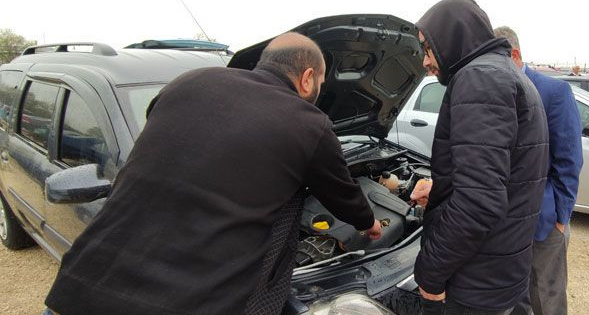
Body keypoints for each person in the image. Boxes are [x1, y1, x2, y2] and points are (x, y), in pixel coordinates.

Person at [44, 33, 382, 315]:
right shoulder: (309, 122)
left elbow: (175, 136)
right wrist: (369, 223)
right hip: (187, 302)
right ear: (308, 77)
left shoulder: (188, 81)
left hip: (86, 285)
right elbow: (342, 194)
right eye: (321, 82)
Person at [412, 0, 549, 315]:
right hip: (500, 268)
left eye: (426, 48)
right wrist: (443, 189)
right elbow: (506, 175)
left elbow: (479, 203)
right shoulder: (506, 73)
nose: (424, 62)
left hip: (475, 281)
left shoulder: (480, 79)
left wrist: (430, 274)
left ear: (450, 36)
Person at [494, 26, 583, 315]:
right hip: (507, 221)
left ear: (515, 54)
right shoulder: (497, 90)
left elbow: (569, 159)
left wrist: (561, 215)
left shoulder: (554, 91)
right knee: (517, 293)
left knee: (546, 293)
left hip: (544, 222)